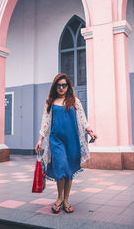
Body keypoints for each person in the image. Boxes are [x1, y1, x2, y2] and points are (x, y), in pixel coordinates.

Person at [35, 73, 97, 214]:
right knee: (61, 166)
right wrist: (40, 140)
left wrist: (90, 131)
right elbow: (45, 122)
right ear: (55, 87)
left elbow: (82, 119)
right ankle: (59, 198)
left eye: (64, 85)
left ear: (68, 86)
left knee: (68, 171)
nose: (61, 87)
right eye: (59, 85)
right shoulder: (50, 102)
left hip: (73, 140)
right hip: (56, 140)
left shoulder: (74, 101)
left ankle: (66, 200)